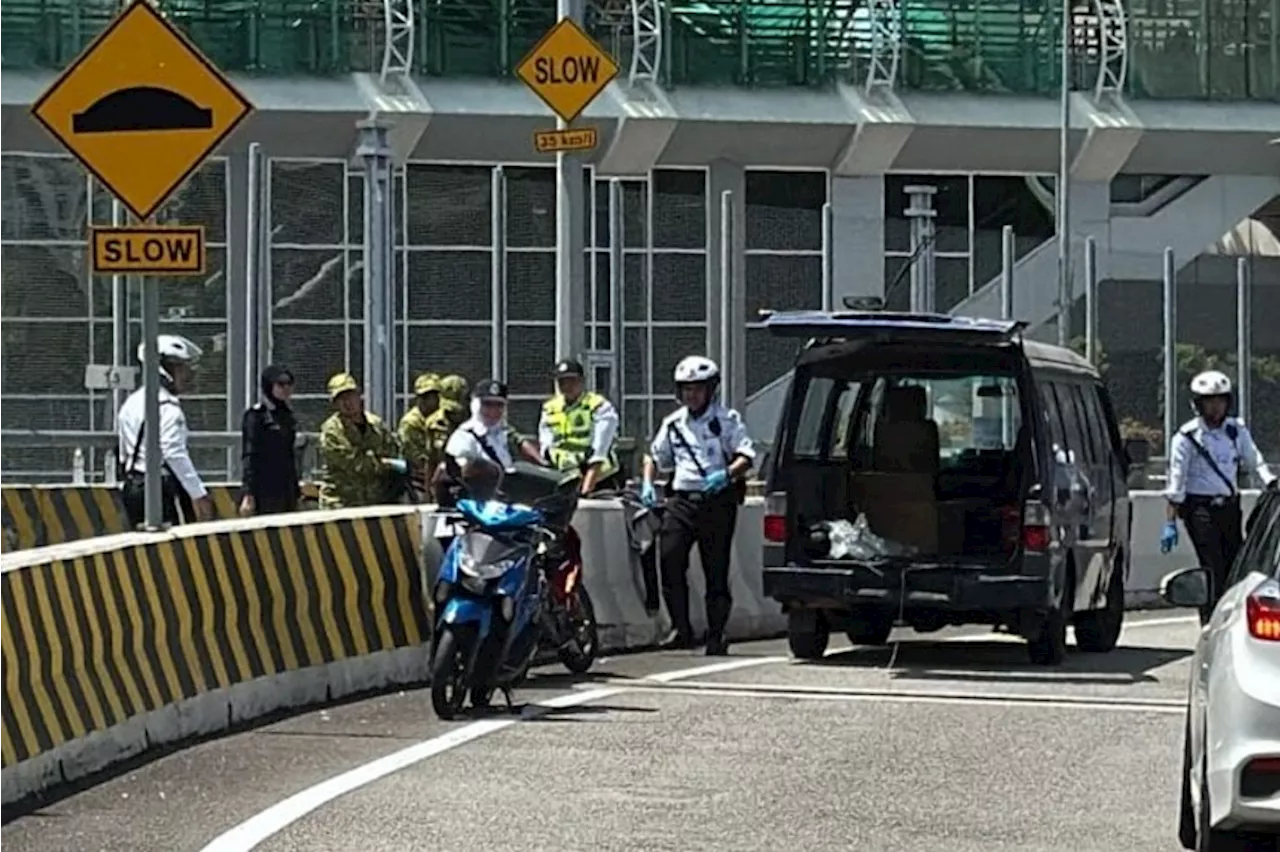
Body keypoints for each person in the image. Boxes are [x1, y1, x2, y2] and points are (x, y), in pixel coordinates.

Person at [640, 356, 755, 656]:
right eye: (686, 389)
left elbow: (746, 456)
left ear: (710, 390)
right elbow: (653, 456)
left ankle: (716, 634)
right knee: (669, 559)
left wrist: (726, 475)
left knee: (715, 568)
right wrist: (647, 483)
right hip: (681, 500)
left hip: (716, 502)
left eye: (697, 389)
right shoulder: (673, 423)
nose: (691, 395)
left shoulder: (727, 420)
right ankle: (681, 628)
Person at [1162, 369, 1277, 622]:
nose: (1215, 407)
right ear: (1197, 404)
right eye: (1209, 401)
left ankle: (1234, 618)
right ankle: (1210, 620)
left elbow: (1254, 459)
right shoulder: (1187, 437)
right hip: (1199, 509)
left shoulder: (1236, 430)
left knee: (1236, 562)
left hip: (1229, 507)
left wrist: (1269, 481)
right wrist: (1170, 522)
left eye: (1220, 400)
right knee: (1211, 564)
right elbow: (1176, 482)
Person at [117, 333, 214, 528]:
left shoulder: (132, 402)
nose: (187, 375)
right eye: (181, 368)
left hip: (132, 486)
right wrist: (198, 494)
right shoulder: (167, 407)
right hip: (160, 488)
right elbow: (173, 452)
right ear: (165, 370)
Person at [442, 379, 543, 501]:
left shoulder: (505, 433)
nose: (493, 411)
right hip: (479, 504)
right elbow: (463, 474)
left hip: (506, 499)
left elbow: (523, 454)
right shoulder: (464, 436)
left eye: (499, 405)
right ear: (476, 405)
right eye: (487, 404)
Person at [318, 372, 405, 509]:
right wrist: (384, 464)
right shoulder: (332, 431)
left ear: (359, 396)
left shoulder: (376, 424)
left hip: (375, 500)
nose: (348, 402)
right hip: (341, 503)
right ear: (334, 404)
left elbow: (392, 452)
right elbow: (354, 464)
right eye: (341, 398)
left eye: (351, 396)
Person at [538, 358, 622, 494]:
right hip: (564, 479)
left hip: (599, 480)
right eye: (562, 382)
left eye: (572, 381)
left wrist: (585, 491)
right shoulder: (549, 409)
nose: (567, 386)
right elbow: (546, 449)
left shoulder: (599, 406)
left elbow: (599, 453)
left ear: (582, 381)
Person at [239, 364, 301, 516]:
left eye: (289, 384)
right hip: (265, 489)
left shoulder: (287, 415)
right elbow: (250, 454)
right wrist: (248, 492)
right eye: (280, 384)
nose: (286, 388)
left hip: (287, 488)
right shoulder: (256, 415)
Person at [399, 372, 446, 500]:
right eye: (425, 397)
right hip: (419, 481)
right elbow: (418, 460)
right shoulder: (411, 423)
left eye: (434, 396)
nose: (430, 401)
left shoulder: (444, 418)